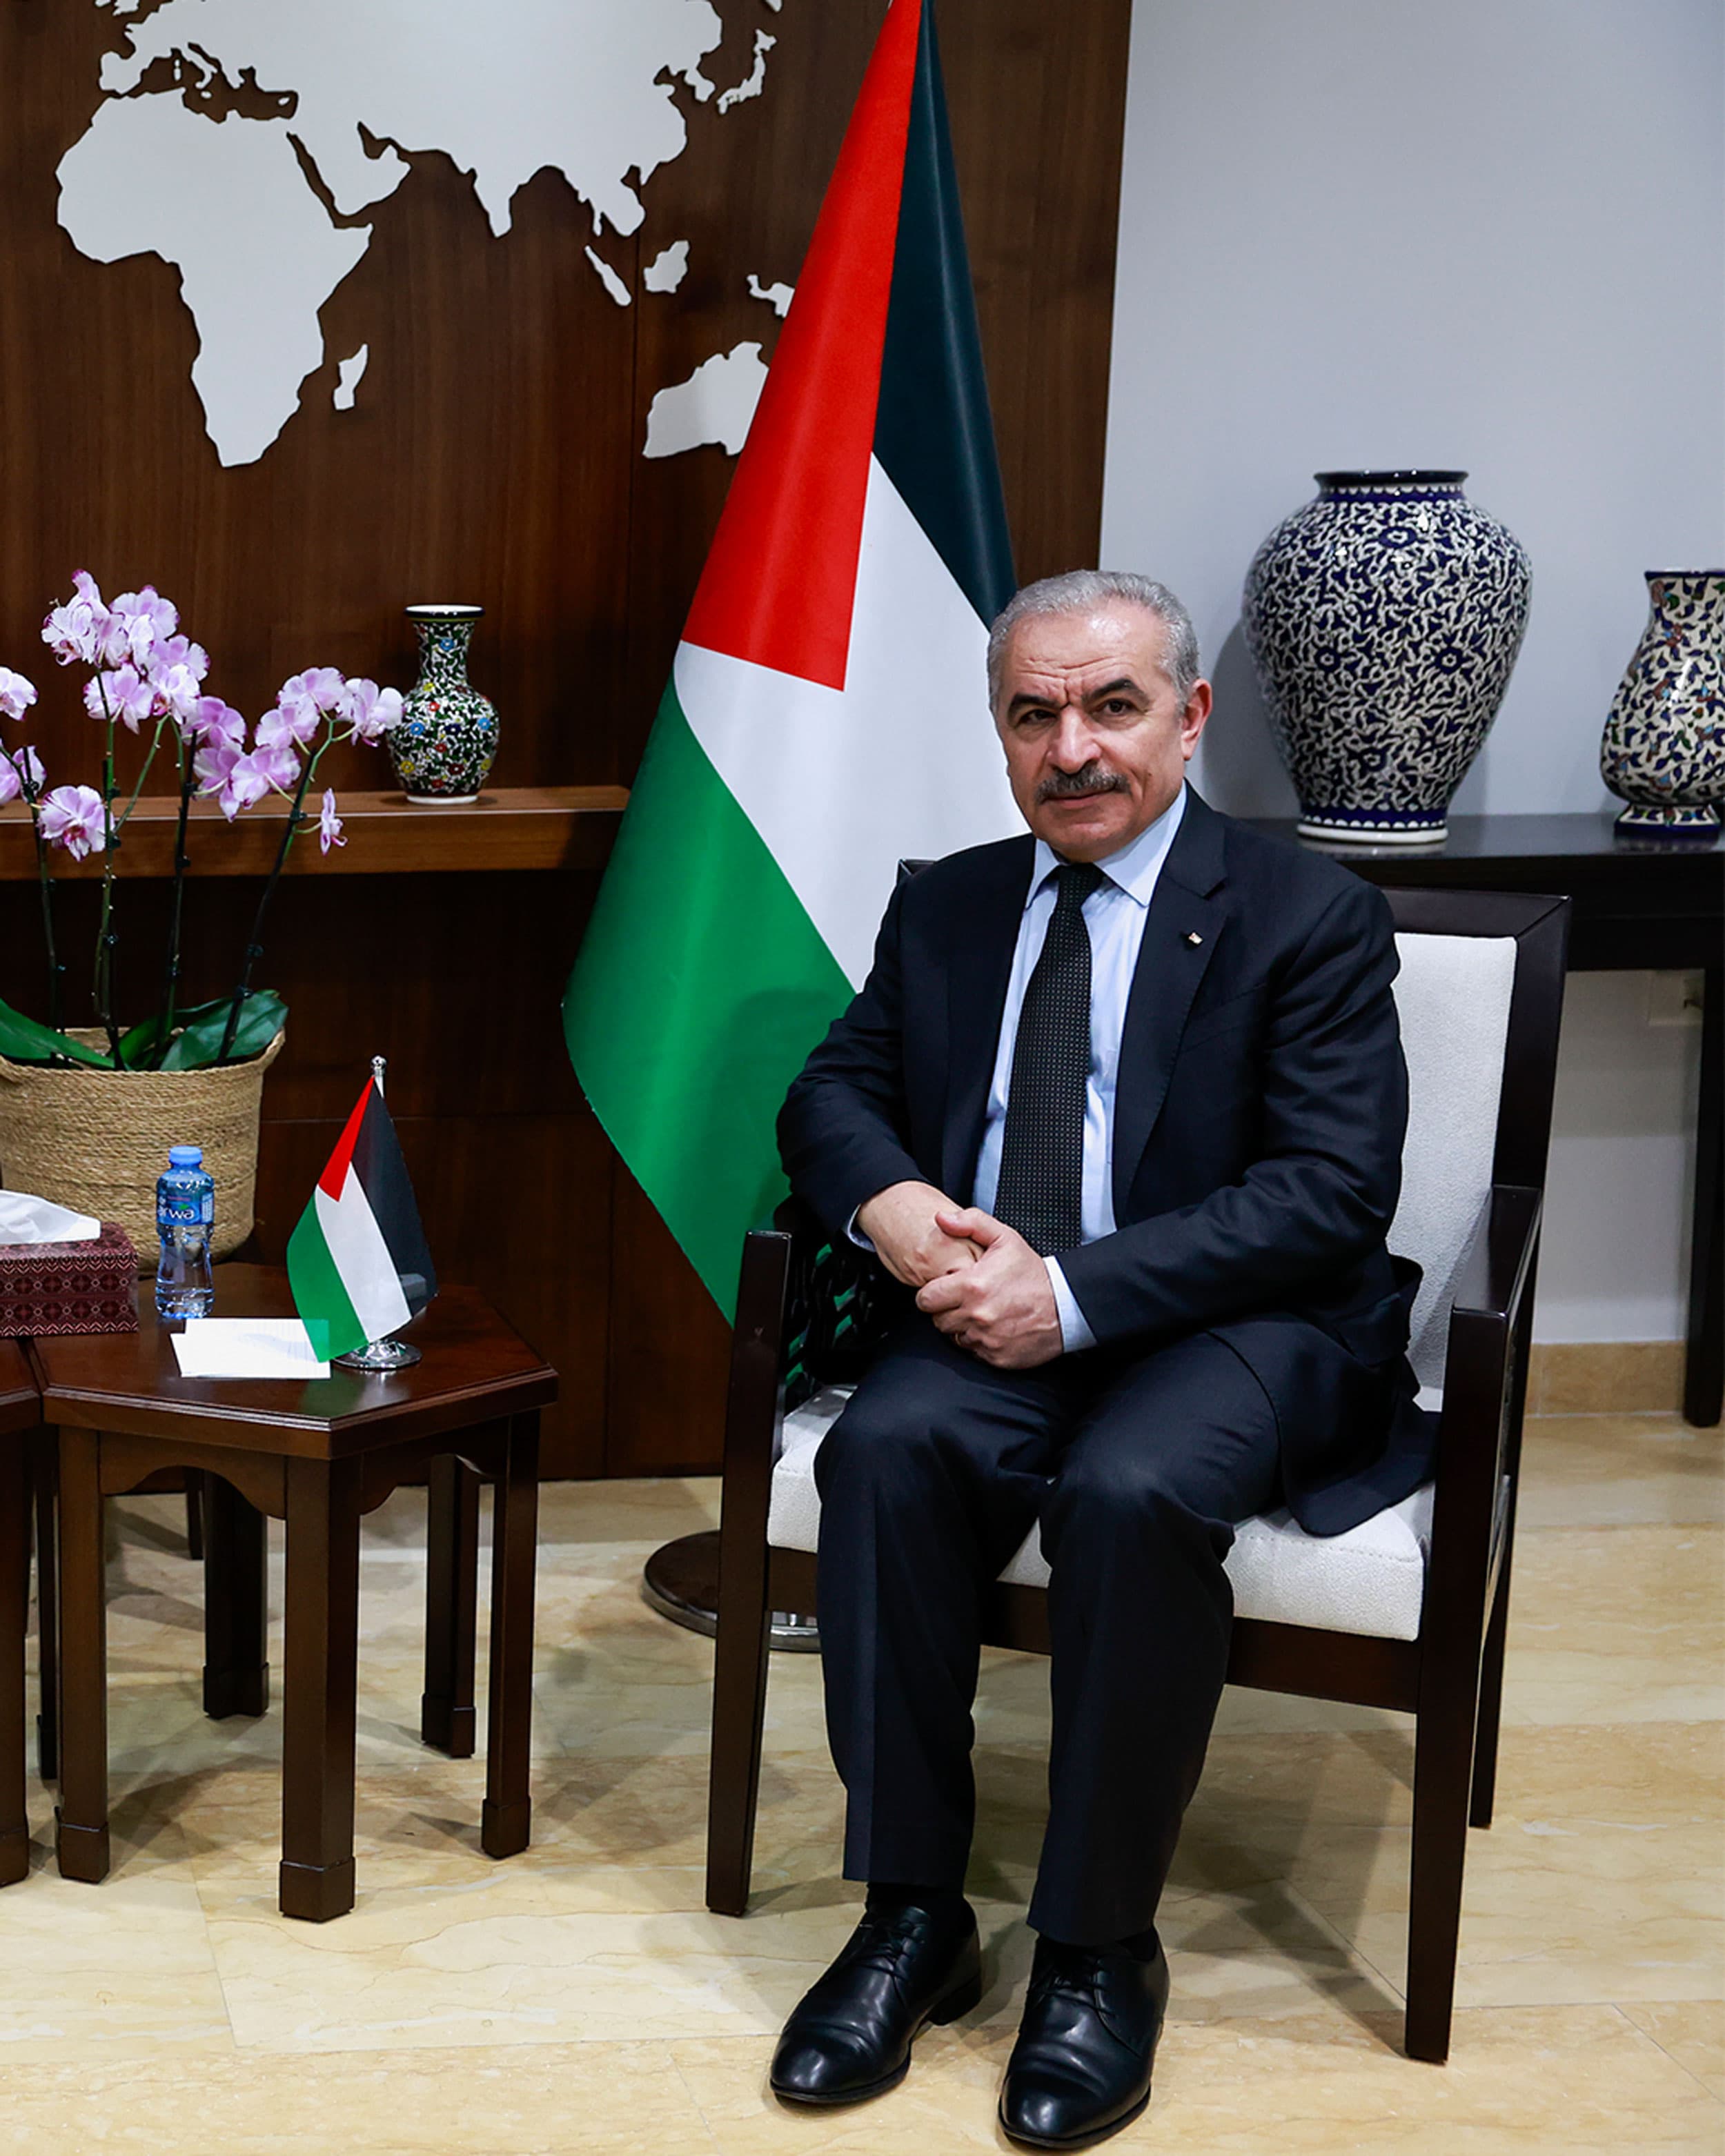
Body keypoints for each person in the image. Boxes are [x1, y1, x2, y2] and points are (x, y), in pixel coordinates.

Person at [767, 569, 1432, 2149]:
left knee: (1131, 1494)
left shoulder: (1307, 916)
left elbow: (1326, 1194)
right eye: (1033, 713)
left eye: (1111, 707)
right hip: (997, 1303)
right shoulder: (948, 900)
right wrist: (897, 1207)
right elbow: (828, 1095)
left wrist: (1067, 1295)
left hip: (1244, 1322)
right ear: (999, 732)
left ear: (1187, 719)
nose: (1072, 747)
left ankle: (1090, 1942)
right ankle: (909, 1911)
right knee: (884, 1449)